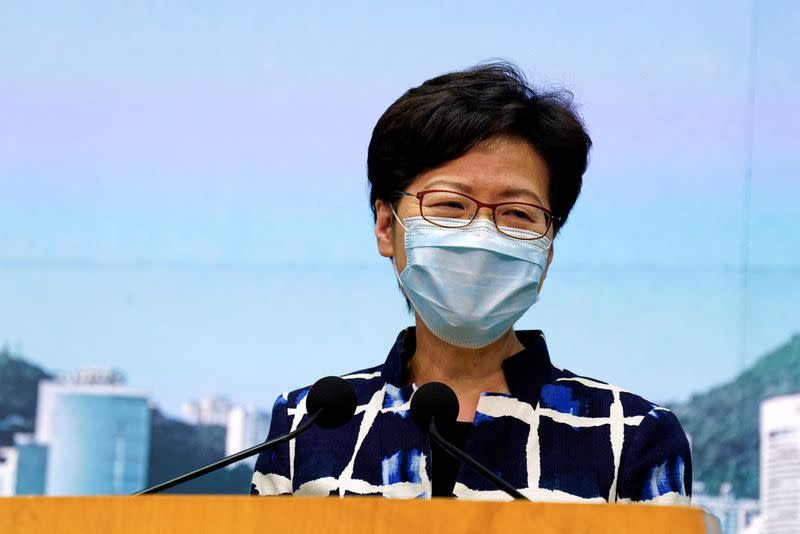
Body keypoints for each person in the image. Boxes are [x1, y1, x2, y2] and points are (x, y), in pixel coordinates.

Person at [251, 62, 692, 503]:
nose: (481, 235)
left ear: (547, 251)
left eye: (518, 214)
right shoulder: (309, 422)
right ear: (387, 225)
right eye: (449, 205)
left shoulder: (630, 435)